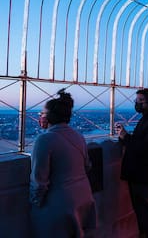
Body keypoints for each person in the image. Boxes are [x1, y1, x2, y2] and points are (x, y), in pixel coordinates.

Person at [30, 89, 96, 238]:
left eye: (42, 114)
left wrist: (35, 204)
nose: (40, 117)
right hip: (83, 198)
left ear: (50, 117)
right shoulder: (78, 136)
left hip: (60, 204)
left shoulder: (44, 139)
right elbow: (87, 166)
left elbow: (39, 180)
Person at [116, 89, 148, 237]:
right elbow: (142, 142)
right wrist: (124, 136)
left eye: (140, 101)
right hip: (140, 172)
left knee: (144, 210)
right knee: (141, 209)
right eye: (136, 100)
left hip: (143, 172)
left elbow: (147, 148)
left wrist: (126, 137)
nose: (137, 103)